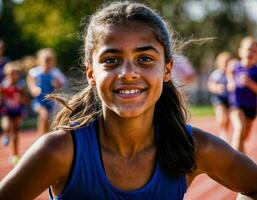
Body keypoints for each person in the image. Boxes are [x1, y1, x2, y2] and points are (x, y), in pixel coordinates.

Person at [0, 2, 256, 200]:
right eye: (111, 60)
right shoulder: (58, 151)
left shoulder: (194, 149)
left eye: (145, 58)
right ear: (91, 73)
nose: (128, 73)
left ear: (167, 70)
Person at [26, 48, 66, 136]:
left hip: (52, 102)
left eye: (49, 60)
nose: (46, 62)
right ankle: (40, 137)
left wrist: (57, 84)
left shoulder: (56, 72)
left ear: (53, 61)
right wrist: (33, 88)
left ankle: (46, 136)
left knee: (50, 120)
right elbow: (30, 81)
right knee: (44, 115)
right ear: (39, 60)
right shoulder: (35, 72)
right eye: (44, 60)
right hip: (38, 101)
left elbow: (62, 85)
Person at [227, 36, 257, 153]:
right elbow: (229, 73)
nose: (250, 53)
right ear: (240, 51)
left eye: (254, 51)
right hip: (236, 105)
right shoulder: (235, 66)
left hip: (251, 108)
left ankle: (241, 160)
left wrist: (250, 83)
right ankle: (233, 161)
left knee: (243, 137)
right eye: (248, 49)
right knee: (239, 129)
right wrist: (230, 82)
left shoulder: (256, 71)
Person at [0, 61, 29, 166]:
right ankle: (5, 134)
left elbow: (26, 100)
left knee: (16, 133)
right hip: (6, 111)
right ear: (6, 74)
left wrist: (21, 99)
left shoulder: (20, 86)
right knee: (7, 126)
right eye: (10, 74)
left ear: (18, 75)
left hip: (17, 110)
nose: (13, 76)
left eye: (15, 73)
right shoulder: (3, 86)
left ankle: (15, 155)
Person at [207, 51, 233, 142]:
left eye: (228, 62)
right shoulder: (217, 73)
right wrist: (216, 88)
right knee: (222, 115)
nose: (226, 64)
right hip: (219, 98)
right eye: (224, 62)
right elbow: (210, 84)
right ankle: (222, 132)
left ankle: (225, 131)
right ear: (219, 63)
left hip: (230, 98)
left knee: (228, 118)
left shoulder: (232, 73)